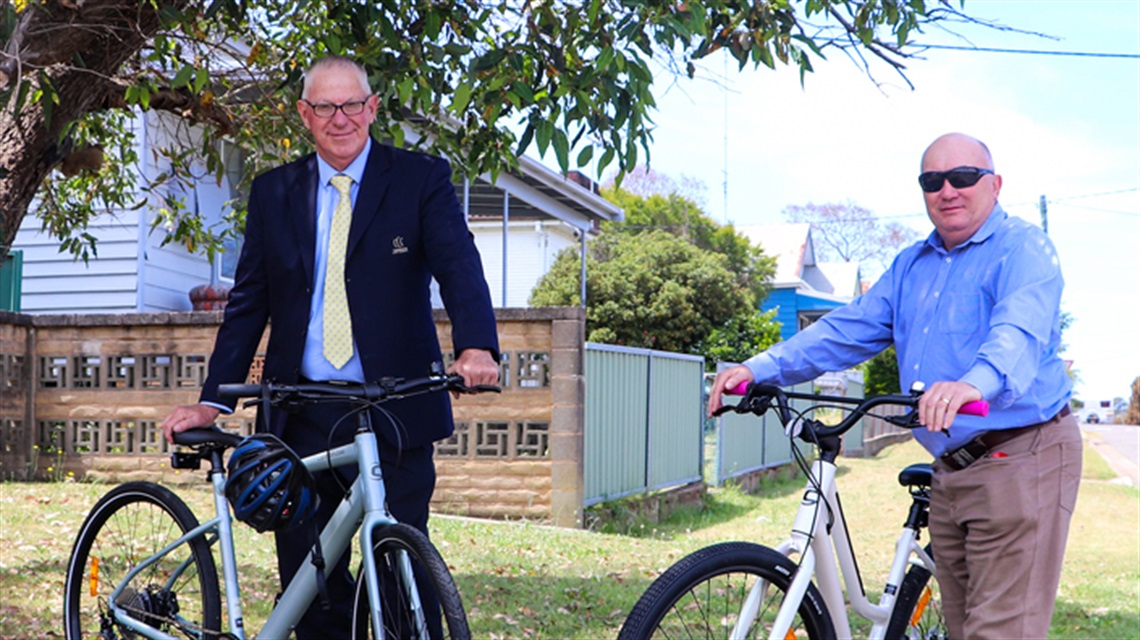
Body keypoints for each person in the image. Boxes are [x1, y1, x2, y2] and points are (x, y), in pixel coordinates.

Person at [162, 55, 500, 637]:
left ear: (371, 109)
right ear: (305, 114)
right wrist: (214, 401)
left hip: (393, 411)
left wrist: (477, 347)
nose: (339, 118)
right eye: (324, 106)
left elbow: (459, 267)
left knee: (402, 582)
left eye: (351, 105)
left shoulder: (421, 180)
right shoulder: (275, 193)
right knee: (313, 589)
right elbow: (249, 304)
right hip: (300, 415)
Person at [709, 133, 1080, 639]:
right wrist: (761, 369)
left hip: (1021, 456)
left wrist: (971, 385)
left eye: (963, 177)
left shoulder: (1024, 249)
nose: (947, 190)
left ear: (994, 185)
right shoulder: (911, 265)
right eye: (933, 180)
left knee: (999, 631)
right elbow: (847, 328)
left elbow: (1016, 331)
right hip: (951, 466)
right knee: (961, 626)